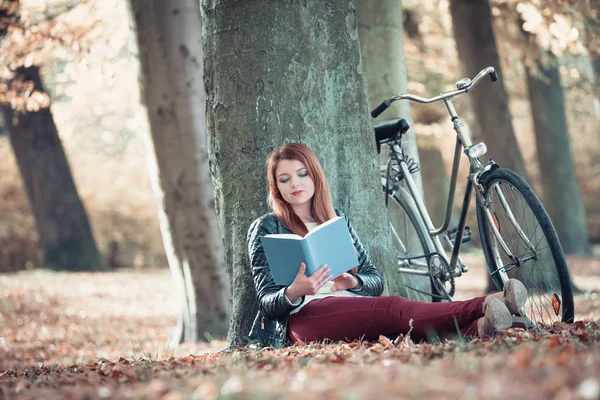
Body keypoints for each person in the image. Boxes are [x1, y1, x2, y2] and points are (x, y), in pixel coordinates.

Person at [247, 143, 527, 348]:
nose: (295, 183)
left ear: (315, 177)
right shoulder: (267, 226)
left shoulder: (335, 220)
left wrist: (353, 282)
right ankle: (492, 302)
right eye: (284, 179)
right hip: (302, 318)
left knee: (401, 329)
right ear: (277, 188)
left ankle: (481, 327)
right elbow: (267, 303)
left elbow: (375, 280)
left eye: (302, 174)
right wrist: (295, 291)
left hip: (347, 304)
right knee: (393, 309)